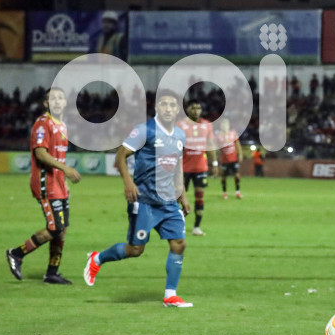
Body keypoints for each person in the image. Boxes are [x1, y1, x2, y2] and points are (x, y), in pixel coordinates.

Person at [83, 89, 193, 307]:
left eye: (173, 105)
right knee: (135, 250)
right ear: (157, 107)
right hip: (144, 201)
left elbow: (177, 165)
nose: (168, 108)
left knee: (179, 244)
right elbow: (121, 155)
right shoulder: (144, 130)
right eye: (164, 104)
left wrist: (183, 195)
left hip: (168, 202)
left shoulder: (180, 135)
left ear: (178, 109)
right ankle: (97, 258)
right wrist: (128, 183)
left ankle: (170, 295)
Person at [6, 87, 82, 284]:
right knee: (55, 227)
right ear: (46, 104)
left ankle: (52, 273)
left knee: (62, 229)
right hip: (45, 183)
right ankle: (16, 253)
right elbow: (40, 153)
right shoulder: (42, 124)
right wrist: (65, 169)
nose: (56, 101)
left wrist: (64, 181)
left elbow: (58, 155)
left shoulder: (62, 126)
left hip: (59, 184)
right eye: (52, 98)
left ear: (65, 103)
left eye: (60, 98)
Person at [177, 99, 217, 236]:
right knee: (179, 197)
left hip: (200, 167)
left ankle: (197, 227)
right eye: (193, 108)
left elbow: (210, 144)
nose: (196, 111)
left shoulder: (207, 125)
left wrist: (214, 163)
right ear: (187, 109)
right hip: (183, 168)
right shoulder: (180, 125)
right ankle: (178, 225)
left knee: (200, 196)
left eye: (198, 108)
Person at [215, 119, 243, 199]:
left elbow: (237, 144)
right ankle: (224, 193)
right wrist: (217, 157)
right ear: (221, 126)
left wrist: (240, 154)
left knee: (237, 175)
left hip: (234, 159)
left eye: (226, 124)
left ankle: (238, 192)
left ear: (228, 125)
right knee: (224, 176)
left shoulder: (233, 133)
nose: (224, 126)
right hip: (224, 160)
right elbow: (216, 148)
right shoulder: (218, 136)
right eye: (223, 124)